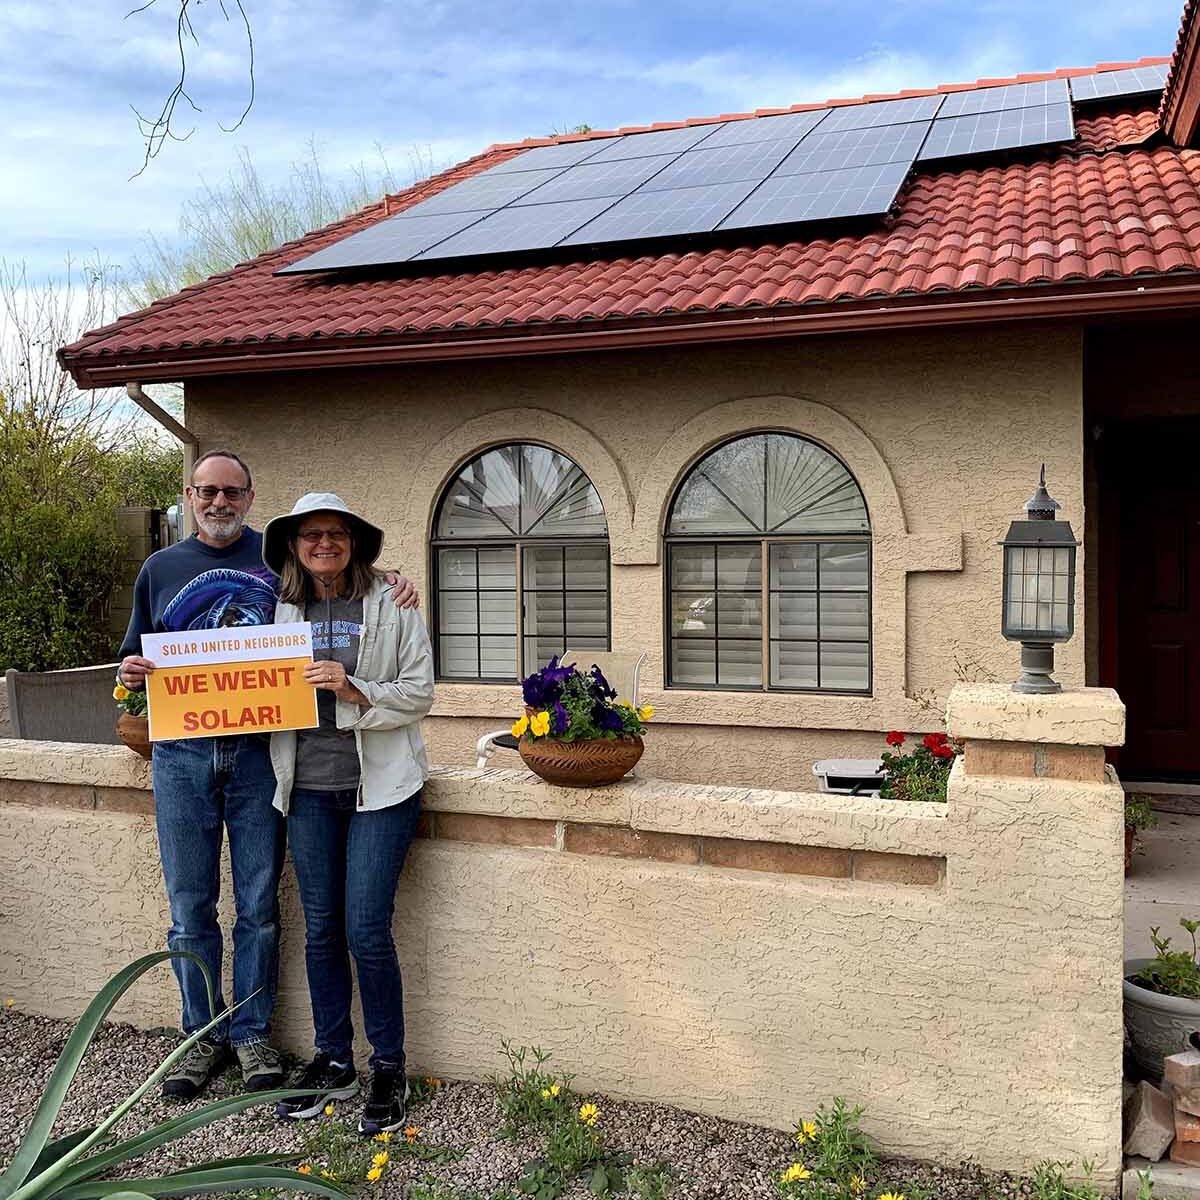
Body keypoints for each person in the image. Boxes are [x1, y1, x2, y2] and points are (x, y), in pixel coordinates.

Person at [117, 451, 419, 1100]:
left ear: (251, 498)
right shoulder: (159, 568)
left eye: (232, 491)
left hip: (259, 757)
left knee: (258, 906)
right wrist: (131, 676)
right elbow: (133, 659)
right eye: (207, 491)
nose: (219, 501)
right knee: (190, 906)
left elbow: (350, 579)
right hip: (185, 756)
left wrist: (395, 582)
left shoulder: (275, 562)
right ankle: (201, 1039)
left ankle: (252, 1033)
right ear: (189, 496)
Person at [261, 493, 433, 1136]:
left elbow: (420, 691)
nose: (323, 544)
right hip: (306, 788)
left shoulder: (393, 602)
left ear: (354, 541)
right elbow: (220, 664)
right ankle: (334, 1059)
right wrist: (150, 671)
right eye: (310, 536)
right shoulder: (277, 608)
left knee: (366, 927)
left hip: (381, 788)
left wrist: (356, 688)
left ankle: (387, 1063)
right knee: (322, 929)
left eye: (335, 534)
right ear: (293, 547)